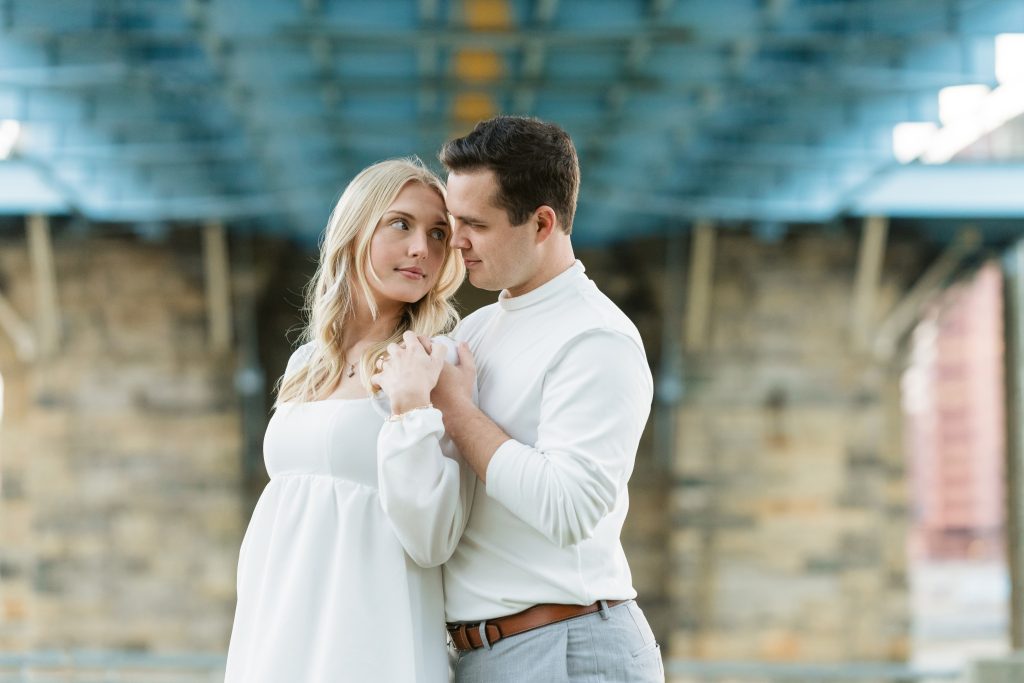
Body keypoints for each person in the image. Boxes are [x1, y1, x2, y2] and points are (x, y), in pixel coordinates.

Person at [425, 116, 661, 682]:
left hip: (567, 650)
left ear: (541, 223)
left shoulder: (596, 338)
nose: (455, 241)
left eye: (475, 224)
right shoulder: (479, 329)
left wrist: (458, 411)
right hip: (489, 653)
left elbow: (568, 507)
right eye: (454, 221)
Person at [223, 158, 475, 683]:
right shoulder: (304, 364)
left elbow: (433, 539)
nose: (420, 250)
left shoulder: (432, 362)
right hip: (279, 629)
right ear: (356, 229)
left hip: (369, 640)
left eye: (437, 234)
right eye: (400, 224)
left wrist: (411, 410)